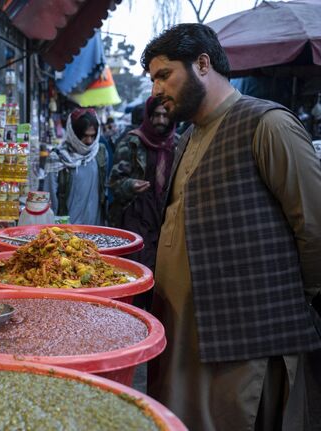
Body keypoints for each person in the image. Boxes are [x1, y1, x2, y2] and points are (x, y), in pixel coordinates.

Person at [143, 23, 321, 430]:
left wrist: (285, 298)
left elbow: (314, 228)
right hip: (185, 336)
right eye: (153, 79)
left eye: (164, 75)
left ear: (203, 64)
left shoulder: (269, 125)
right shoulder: (187, 137)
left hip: (246, 342)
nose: (156, 90)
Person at [108, 96, 177, 309]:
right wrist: (130, 185)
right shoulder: (132, 142)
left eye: (165, 115)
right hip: (137, 218)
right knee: (137, 276)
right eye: (156, 115)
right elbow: (114, 182)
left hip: (167, 221)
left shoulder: (179, 143)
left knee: (164, 280)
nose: (160, 120)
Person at [43, 108, 107, 225]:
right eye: (84, 136)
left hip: (95, 228)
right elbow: (50, 198)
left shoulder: (100, 153)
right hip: (67, 230)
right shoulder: (57, 158)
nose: (89, 141)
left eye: (93, 136)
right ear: (73, 133)